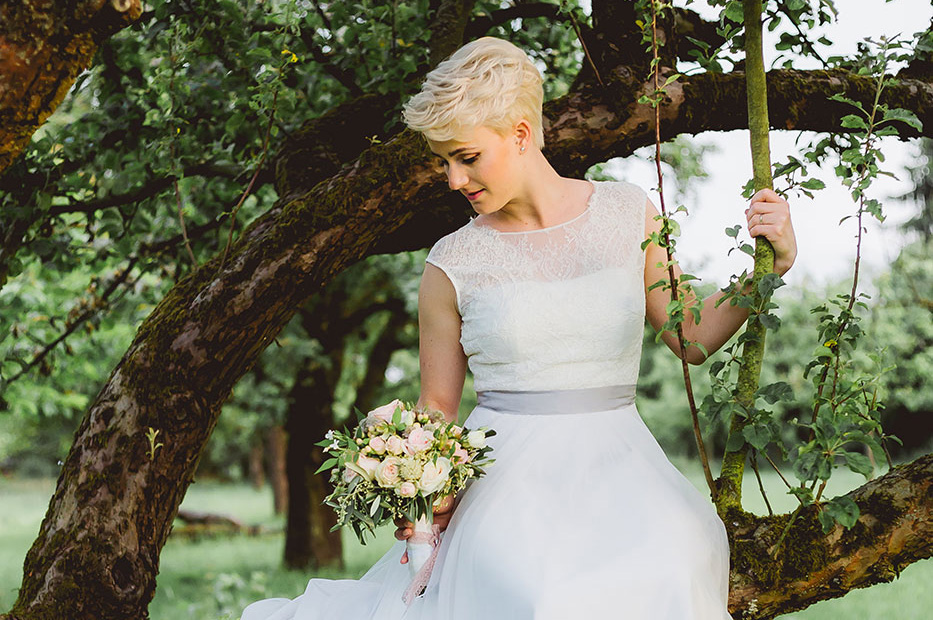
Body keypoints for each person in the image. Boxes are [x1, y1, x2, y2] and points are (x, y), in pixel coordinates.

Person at [241, 36, 796, 620]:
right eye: (445, 162)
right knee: (541, 599)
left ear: (522, 134)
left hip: (624, 472)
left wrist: (770, 268)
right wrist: (420, 485)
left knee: (670, 567)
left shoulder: (628, 213)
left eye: (467, 156)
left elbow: (692, 337)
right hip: (504, 486)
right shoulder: (450, 261)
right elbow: (436, 407)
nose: (454, 180)